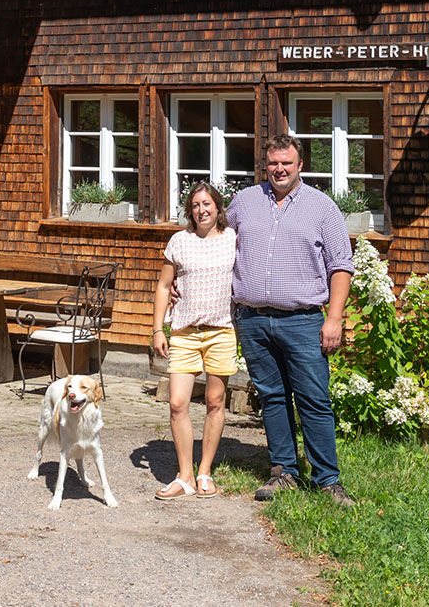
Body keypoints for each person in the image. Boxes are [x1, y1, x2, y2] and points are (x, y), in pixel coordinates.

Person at [227, 133, 356, 506]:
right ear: (264, 165)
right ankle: (284, 471)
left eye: (287, 163)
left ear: (301, 166)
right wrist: (179, 280)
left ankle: (328, 480)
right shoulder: (244, 203)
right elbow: (215, 244)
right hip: (252, 320)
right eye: (273, 163)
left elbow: (341, 267)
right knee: (272, 398)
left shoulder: (322, 208)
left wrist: (334, 319)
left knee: (314, 400)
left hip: (303, 321)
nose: (279, 169)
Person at [149, 180, 237, 500]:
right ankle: (184, 474)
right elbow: (163, 286)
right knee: (177, 404)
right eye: (196, 205)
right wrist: (159, 328)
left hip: (222, 331)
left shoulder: (233, 240)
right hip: (184, 332)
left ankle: (205, 473)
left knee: (215, 402)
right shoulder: (179, 241)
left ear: (218, 207)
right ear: (191, 210)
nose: (202, 210)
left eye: (207, 204)